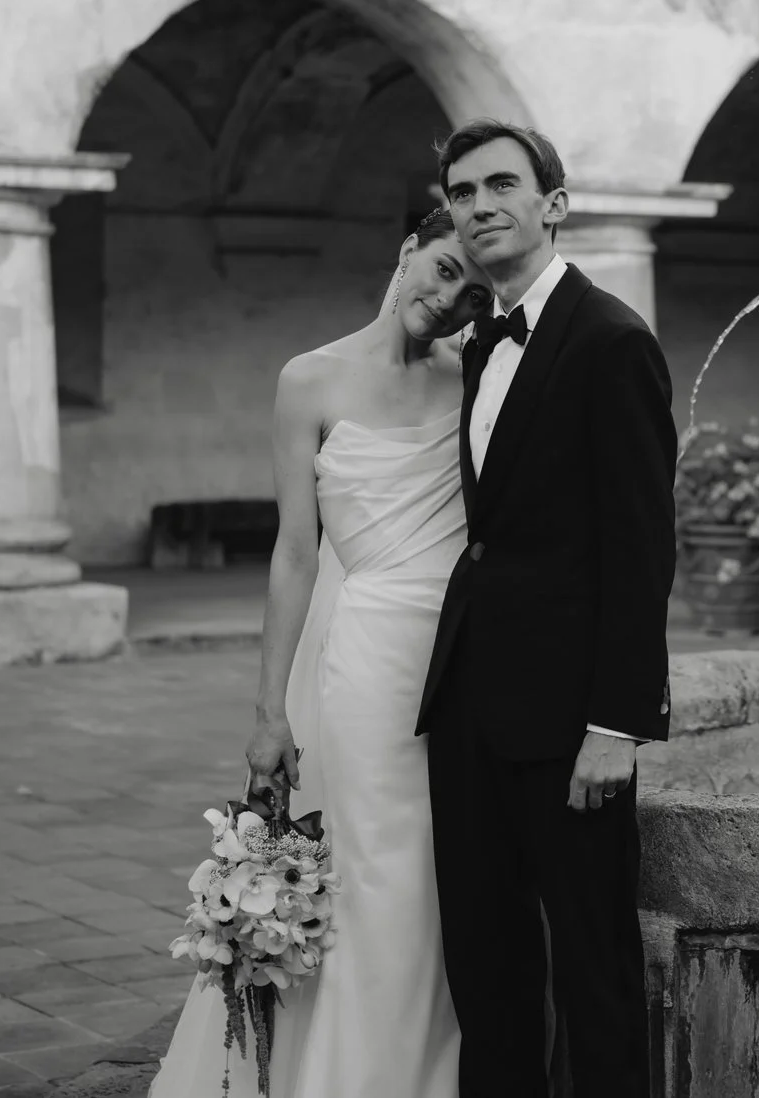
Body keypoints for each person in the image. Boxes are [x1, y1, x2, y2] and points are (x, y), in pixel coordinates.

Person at [148, 209, 493, 1098]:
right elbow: (296, 554)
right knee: (377, 869)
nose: (448, 297)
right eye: (444, 268)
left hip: (467, 655)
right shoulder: (309, 380)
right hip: (369, 657)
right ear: (408, 250)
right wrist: (270, 713)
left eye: (471, 291)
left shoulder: (476, 379)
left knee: (441, 875)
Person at [417, 119, 677, 1098]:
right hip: (469, 706)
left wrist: (616, 723)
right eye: (459, 191)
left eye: (499, 184)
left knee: (591, 963)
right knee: (485, 964)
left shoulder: (608, 338)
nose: (478, 204)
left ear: (550, 205)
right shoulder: (481, 339)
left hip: (570, 720)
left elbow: (641, 546)